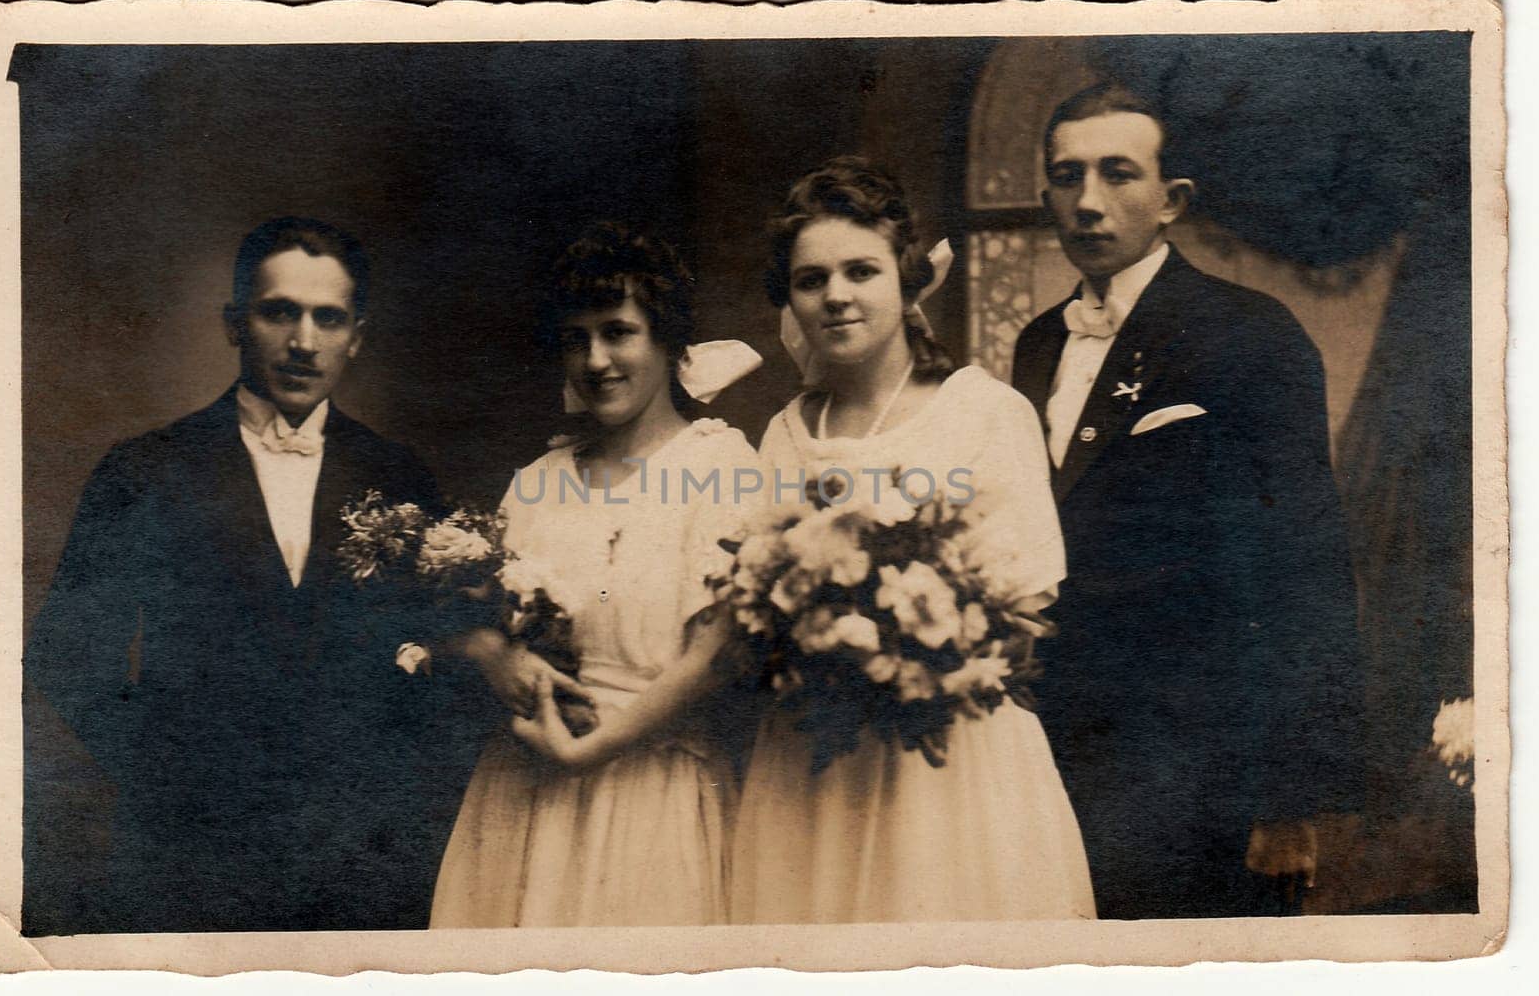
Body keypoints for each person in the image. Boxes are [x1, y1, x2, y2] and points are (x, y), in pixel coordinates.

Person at [23, 217, 475, 933]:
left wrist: (391, 793)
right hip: (189, 859)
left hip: (360, 867)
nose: (303, 342)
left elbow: (455, 654)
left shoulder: (398, 475)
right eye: (279, 312)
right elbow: (66, 656)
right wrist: (170, 774)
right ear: (235, 323)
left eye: (328, 319)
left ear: (356, 335)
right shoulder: (145, 470)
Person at [1013, 82, 1364, 919]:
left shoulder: (1250, 334)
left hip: (1203, 772)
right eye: (1067, 177)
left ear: (1172, 201)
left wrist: (1286, 800)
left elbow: (1304, 568)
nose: (1088, 202)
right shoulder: (1036, 345)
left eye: (1117, 174)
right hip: (1055, 757)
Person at [728, 157, 1095, 923]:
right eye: (810, 280)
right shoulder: (784, 434)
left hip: (951, 757)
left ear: (906, 279)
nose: (836, 295)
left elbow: (1026, 607)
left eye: (861, 271)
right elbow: (753, 603)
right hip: (815, 763)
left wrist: (909, 653)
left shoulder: (985, 413)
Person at [429, 222, 762, 928]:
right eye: (576, 339)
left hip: (651, 792)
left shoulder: (720, 468)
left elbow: (716, 656)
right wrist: (496, 656)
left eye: (618, 332)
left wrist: (592, 749)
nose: (597, 360)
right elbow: (466, 621)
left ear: (668, 341)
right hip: (522, 796)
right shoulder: (535, 484)